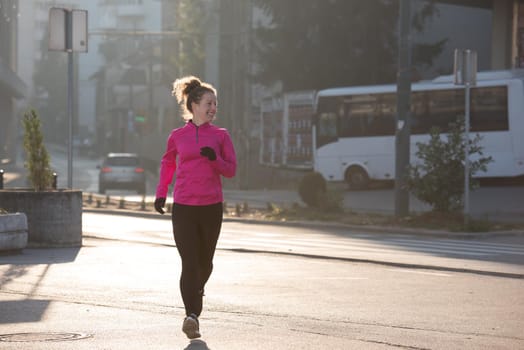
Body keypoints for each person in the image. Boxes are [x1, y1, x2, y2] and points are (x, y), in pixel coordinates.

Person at [154, 76, 237, 339]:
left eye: (216, 104)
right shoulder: (178, 136)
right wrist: (160, 193)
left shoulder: (221, 136)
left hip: (211, 207)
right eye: (209, 103)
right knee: (189, 262)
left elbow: (231, 170)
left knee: (206, 263)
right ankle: (192, 315)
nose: (214, 108)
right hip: (184, 207)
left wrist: (215, 160)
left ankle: (195, 295)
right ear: (194, 105)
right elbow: (168, 164)